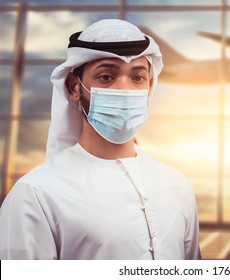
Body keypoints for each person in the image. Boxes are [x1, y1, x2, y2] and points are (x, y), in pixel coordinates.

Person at [0, 19, 201, 260]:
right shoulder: (37, 193)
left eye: (137, 78)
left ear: (150, 86)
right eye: (107, 77)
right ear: (75, 87)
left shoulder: (177, 186)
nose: (125, 90)